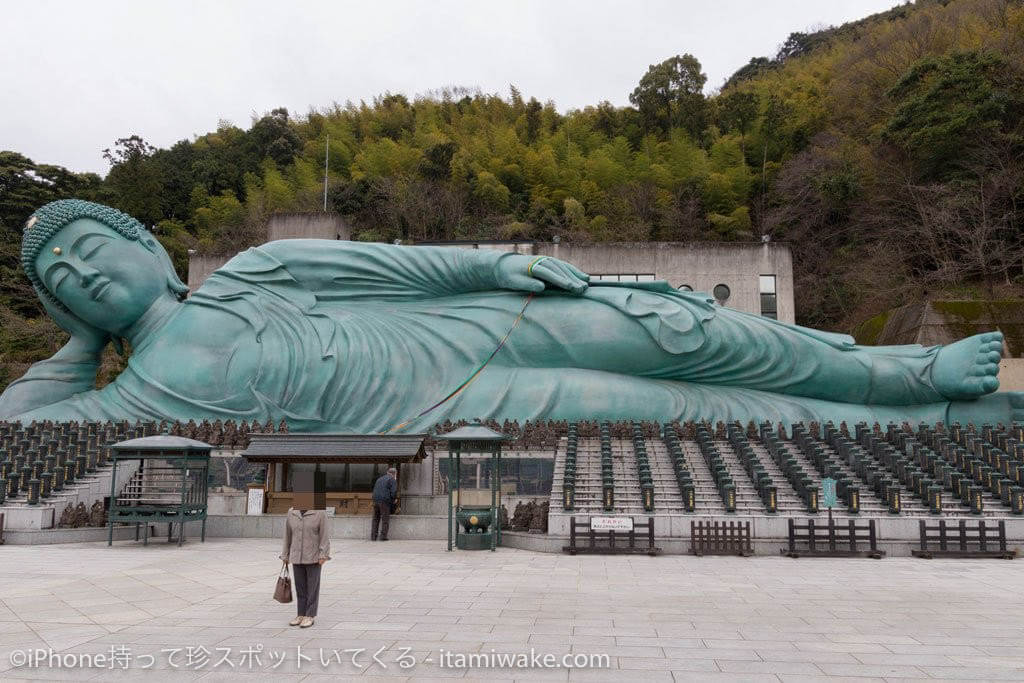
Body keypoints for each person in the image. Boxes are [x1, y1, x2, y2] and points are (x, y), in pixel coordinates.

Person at [2, 198, 1021, 430]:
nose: (83, 272)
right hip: (452, 406)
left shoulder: (257, 269)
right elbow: (18, 423)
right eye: (63, 279)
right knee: (683, 413)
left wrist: (497, 265)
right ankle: (925, 423)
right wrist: (87, 343)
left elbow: (398, 269)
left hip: (466, 329)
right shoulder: (132, 393)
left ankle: (899, 373)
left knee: (681, 330)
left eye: (90, 248)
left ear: (144, 243)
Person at [280, 506, 330, 627]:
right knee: (300, 587)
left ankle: (310, 615)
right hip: (296, 556)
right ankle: (301, 614)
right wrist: (285, 555)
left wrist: (324, 554)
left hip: (313, 556)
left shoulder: (320, 512)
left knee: (312, 587)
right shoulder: (292, 512)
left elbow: (324, 536)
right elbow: (287, 535)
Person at [371, 467, 397, 541]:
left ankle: (373, 536)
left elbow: (375, 489)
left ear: (387, 472)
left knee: (375, 519)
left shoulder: (379, 479)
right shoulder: (392, 479)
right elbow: (393, 492)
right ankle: (383, 537)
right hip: (384, 501)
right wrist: (393, 500)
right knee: (385, 519)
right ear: (394, 473)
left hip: (375, 500)